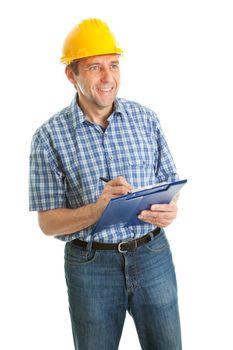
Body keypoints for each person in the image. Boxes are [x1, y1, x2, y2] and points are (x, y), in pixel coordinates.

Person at [29, 18, 182, 350]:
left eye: (113, 65)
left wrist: (169, 210)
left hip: (153, 254)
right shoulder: (48, 137)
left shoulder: (146, 119)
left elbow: (170, 183)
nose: (108, 78)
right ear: (72, 75)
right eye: (95, 67)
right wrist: (97, 210)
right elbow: (47, 222)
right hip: (91, 267)